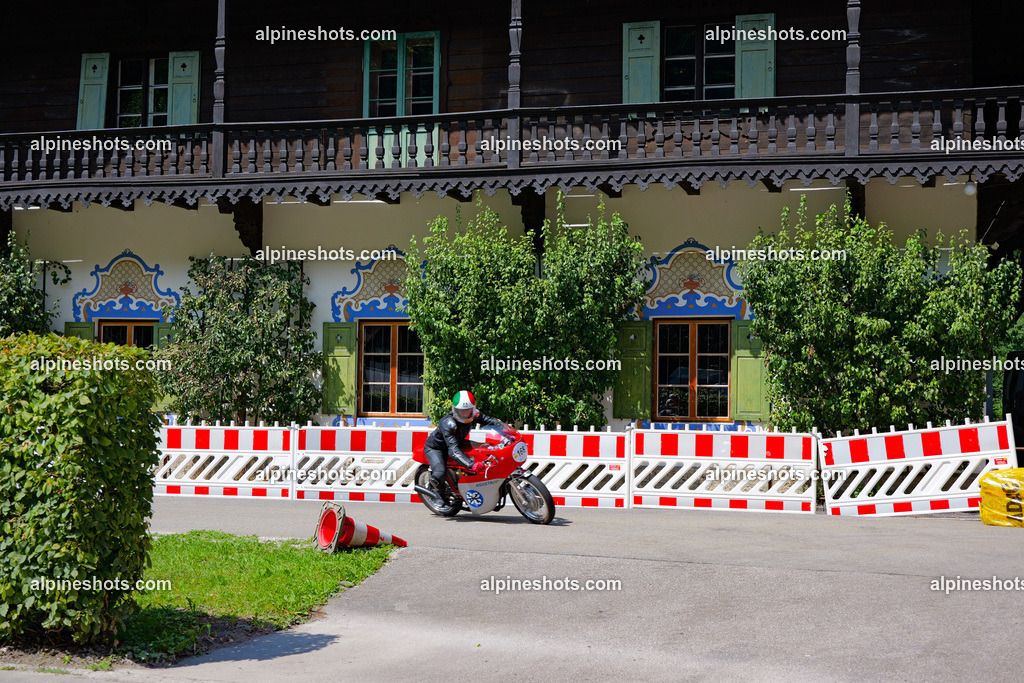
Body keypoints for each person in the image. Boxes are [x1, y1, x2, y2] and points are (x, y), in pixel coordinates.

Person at [423, 390, 507, 502]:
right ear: (455, 410)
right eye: (461, 411)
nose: (465, 414)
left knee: (484, 448)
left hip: (457, 442)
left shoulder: (474, 415)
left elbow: (491, 421)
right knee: (440, 472)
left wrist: (506, 432)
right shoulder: (448, 423)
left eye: (468, 410)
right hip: (437, 448)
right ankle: (438, 494)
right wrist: (471, 465)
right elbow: (453, 451)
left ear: (473, 408)